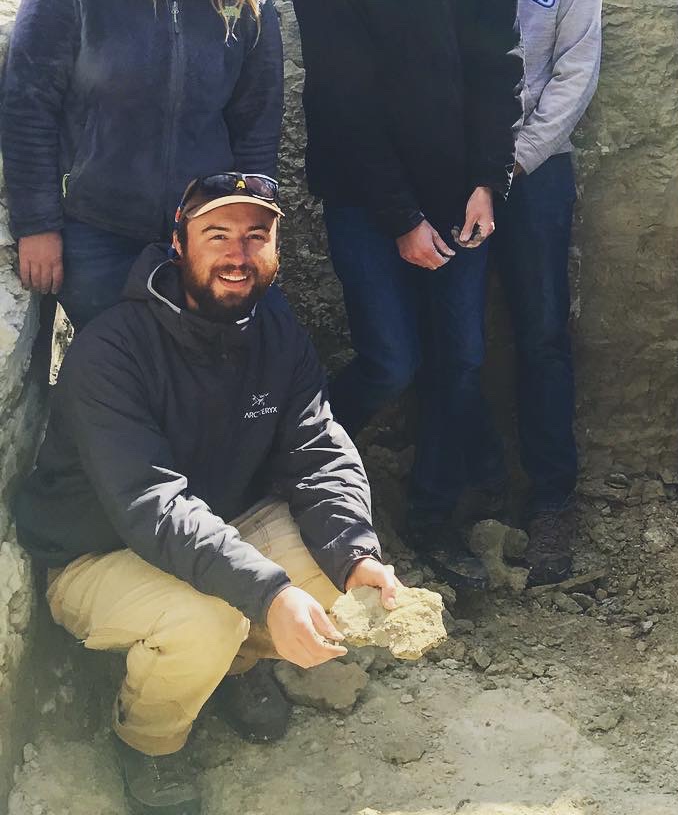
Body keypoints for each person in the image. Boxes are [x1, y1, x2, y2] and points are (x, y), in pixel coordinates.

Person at [14, 173, 397, 815]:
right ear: (178, 244)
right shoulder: (112, 351)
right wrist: (268, 594)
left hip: (211, 530)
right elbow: (150, 504)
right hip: (97, 552)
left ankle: (227, 670)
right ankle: (150, 742)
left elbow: (321, 452)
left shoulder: (277, 339)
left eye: (256, 236)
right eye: (216, 235)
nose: (237, 254)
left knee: (335, 577)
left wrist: (357, 553)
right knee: (211, 616)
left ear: (275, 249)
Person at [289, 0, 524, 591]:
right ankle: (297, 465)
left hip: (462, 199)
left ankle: (431, 520)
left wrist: (489, 184)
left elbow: (500, 76)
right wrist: (399, 219)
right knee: (390, 361)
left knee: (459, 363)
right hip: (367, 201)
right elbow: (345, 108)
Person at [1, 0, 283, 333]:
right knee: (120, 380)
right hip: (96, 231)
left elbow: (257, 122)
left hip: (204, 233)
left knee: (211, 373)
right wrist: (37, 224)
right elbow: (27, 106)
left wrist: (252, 227)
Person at [449, 0, 602, 585]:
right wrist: (466, 167)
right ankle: (473, 495)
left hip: (534, 175)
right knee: (460, 339)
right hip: (452, 175)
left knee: (542, 335)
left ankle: (550, 503)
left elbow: (575, 70)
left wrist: (511, 163)